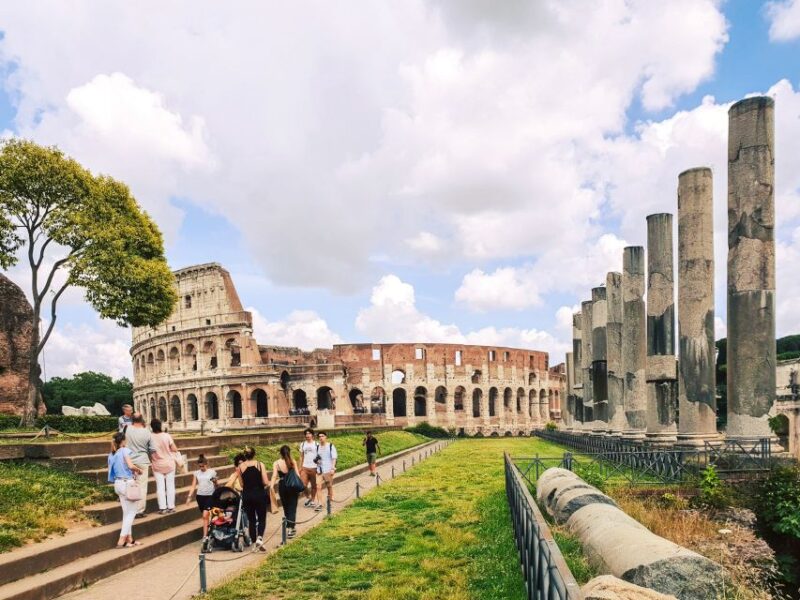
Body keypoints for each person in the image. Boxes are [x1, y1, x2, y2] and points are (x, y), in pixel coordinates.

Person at [108, 431, 143, 548]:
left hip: (118, 484)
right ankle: (122, 539)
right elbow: (130, 465)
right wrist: (138, 469)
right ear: (123, 441)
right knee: (132, 512)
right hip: (127, 483)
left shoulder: (112, 454)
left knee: (126, 513)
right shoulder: (124, 451)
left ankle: (130, 539)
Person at [235, 446, 270, 550]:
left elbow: (241, 484)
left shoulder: (240, 467)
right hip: (259, 493)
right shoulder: (260, 464)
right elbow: (265, 481)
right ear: (254, 454)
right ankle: (259, 538)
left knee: (251, 520)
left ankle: (254, 543)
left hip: (247, 495)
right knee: (261, 518)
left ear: (245, 455)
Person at [125, 413, 155, 516]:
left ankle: (130, 508)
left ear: (132, 419)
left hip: (129, 460)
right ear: (142, 420)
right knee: (142, 486)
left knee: (130, 484)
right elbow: (152, 449)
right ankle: (139, 510)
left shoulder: (127, 428)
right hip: (142, 460)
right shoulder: (147, 432)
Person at [271, 445, 301, 539]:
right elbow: (297, 475)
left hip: (282, 485)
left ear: (280, 453)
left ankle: (289, 526)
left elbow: (274, 476)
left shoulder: (276, 463)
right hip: (292, 485)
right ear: (289, 452)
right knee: (292, 506)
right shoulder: (293, 462)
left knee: (286, 506)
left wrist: (271, 486)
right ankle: (291, 528)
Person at [185, 454, 217, 542]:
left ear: (207, 464)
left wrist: (215, 482)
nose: (202, 468)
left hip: (210, 496)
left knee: (205, 515)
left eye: (203, 466)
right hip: (200, 497)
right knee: (206, 516)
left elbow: (216, 485)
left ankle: (205, 536)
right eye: (200, 466)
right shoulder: (196, 473)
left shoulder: (212, 472)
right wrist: (189, 496)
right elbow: (193, 485)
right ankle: (209, 531)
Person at [150, 419, 178, 514]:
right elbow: (174, 448)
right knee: (170, 486)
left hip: (157, 464)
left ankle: (163, 508)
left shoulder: (150, 437)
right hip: (169, 463)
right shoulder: (166, 436)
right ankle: (171, 507)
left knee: (160, 487)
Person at [298, 428, 321, 509]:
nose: (307, 435)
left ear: (312, 435)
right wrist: (299, 467)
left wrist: (319, 467)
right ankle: (309, 498)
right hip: (305, 467)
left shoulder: (316, 444)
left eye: (309, 433)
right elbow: (301, 456)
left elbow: (319, 457)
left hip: (314, 468)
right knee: (302, 485)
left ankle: (313, 500)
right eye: (306, 434)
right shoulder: (303, 444)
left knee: (314, 486)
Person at [316, 432, 337, 508]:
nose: (321, 437)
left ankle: (330, 500)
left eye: (322, 436)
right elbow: (316, 457)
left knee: (329, 486)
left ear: (326, 437)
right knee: (318, 486)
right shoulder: (317, 447)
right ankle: (320, 503)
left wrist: (332, 468)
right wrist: (316, 461)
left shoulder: (330, 446)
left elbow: (334, 458)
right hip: (319, 470)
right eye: (319, 436)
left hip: (328, 469)